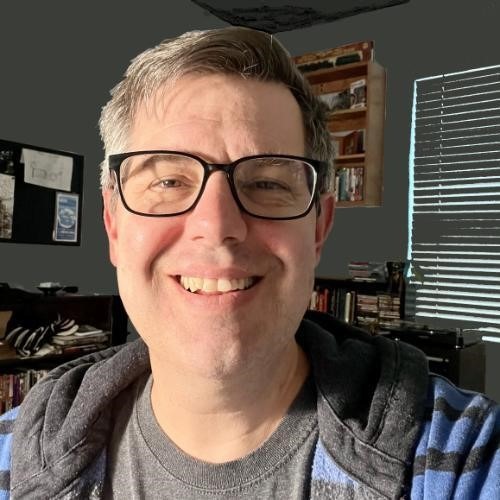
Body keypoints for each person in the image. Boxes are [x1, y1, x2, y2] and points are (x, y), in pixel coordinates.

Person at [0, 26, 498, 499]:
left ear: (320, 227)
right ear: (113, 223)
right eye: (169, 182)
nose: (216, 226)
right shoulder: (11, 453)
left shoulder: (465, 460)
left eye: (268, 183)